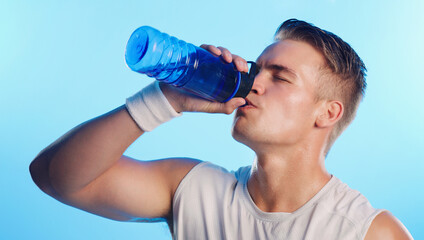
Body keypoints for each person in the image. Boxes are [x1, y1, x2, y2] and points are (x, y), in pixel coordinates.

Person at [29, 19, 413, 239]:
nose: (254, 83)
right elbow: (56, 177)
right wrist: (167, 99)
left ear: (327, 113)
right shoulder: (194, 190)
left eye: (280, 77)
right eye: (257, 69)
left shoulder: (366, 231)